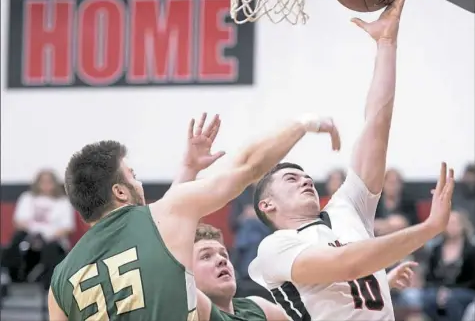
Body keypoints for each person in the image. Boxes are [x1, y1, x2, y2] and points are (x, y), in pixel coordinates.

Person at [248, 0, 456, 321]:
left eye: (305, 176)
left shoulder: (347, 210)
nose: (305, 180)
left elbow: (377, 125)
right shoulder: (275, 247)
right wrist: (428, 228)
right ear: (267, 205)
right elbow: (348, 263)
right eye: (291, 178)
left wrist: (387, 44)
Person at [47, 112, 341, 321]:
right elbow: (248, 166)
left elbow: (156, 232)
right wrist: (305, 123)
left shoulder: (59, 281)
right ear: (120, 192)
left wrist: (188, 168)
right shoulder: (158, 217)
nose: (139, 183)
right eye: (133, 176)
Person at [192, 224, 418, 321]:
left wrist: (381, 285)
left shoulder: (256, 307)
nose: (221, 259)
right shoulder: (194, 311)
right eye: (206, 256)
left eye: (224, 253)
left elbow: (320, 312)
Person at [0, 169, 75, 291]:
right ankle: (9, 277)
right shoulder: (27, 198)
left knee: (52, 248)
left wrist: (48, 236)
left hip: (53, 240)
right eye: (43, 182)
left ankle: (50, 289)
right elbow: (18, 222)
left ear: (55, 184)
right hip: (29, 239)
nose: (46, 185)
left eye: (49, 182)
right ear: (37, 183)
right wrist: (34, 234)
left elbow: (67, 228)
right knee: (17, 238)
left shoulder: (63, 202)